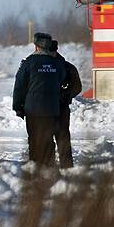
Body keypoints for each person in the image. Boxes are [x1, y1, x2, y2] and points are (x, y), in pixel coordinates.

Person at [13, 32, 67, 166]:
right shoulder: (57, 64)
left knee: (34, 139)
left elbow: (19, 86)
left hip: (33, 110)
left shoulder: (28, 63)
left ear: (36, 46)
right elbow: (63, 78)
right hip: (51, 109)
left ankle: (35, 166)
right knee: (48, 138)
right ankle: (49, 166)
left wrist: (17, 107)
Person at [48, 39, 82, 168]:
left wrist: (64, 96)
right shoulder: (66, 65)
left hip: (59, 108)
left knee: (61, 137)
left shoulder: (65, 66)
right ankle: (63, 166)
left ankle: (64, 166)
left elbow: (76, 87)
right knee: (60, 138)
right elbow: (77, 87)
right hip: (57, 108)